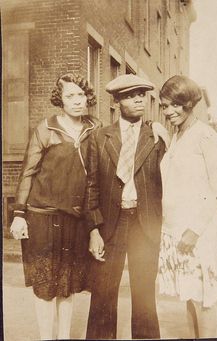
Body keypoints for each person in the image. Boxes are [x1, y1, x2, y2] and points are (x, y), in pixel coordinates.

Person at [10, 73, 100, 340]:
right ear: (60, 99)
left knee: (68, 285)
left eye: (80, 95)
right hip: (42, 218)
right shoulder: (46, 128)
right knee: (45, 285)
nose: (76, 101)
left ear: (87, 98)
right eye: (70, 95)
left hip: (75, 218)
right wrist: (19, 214)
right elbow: (28, 172)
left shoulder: (95, 127)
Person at [84, 74, 166, 339]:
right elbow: (91, 186)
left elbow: (168, 181)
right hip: (110, 224)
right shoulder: (99, 137)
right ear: (117, 101)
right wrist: (94, 229)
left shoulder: (155, 136)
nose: (139, 99)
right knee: (103, 297)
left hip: (145, 226)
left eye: (141, 94)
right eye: (131, 95)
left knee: (144, 297)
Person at [158, 75, 217, 338]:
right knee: (189, 297)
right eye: (165, 106)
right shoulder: (176, 136)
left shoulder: (205, 135)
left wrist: (195, 230)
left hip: (197, 233)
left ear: (189, 103)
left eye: (176, 105)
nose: (170, 112)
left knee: (204, 300)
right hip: (176, 231)